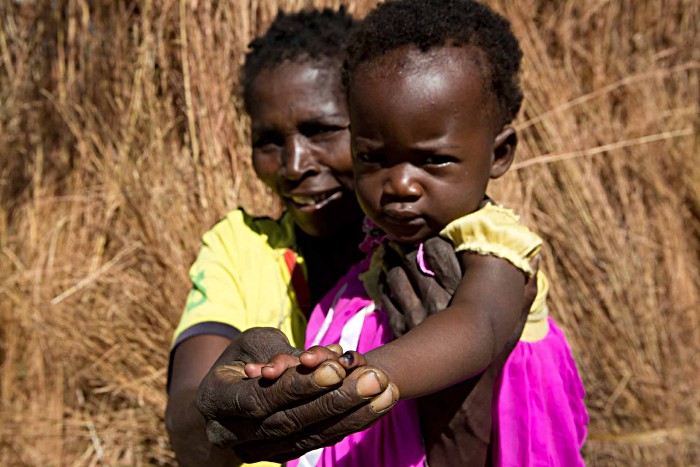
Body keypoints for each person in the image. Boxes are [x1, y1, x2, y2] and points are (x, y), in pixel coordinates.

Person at [166, 7, 532, 466]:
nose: (296, 165)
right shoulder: (242, 248)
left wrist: (372, 372)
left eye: (322, 130)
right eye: (269, 141)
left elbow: (478, 327)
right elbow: (187, 416)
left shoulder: (465, 244)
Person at [248, 1, 588, 465]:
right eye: (373, 159)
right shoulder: (382, 247)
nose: (400, 185)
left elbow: (478, 327)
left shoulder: (494, 244)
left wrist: (369, 371)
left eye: (434, 160)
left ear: (500, 154)